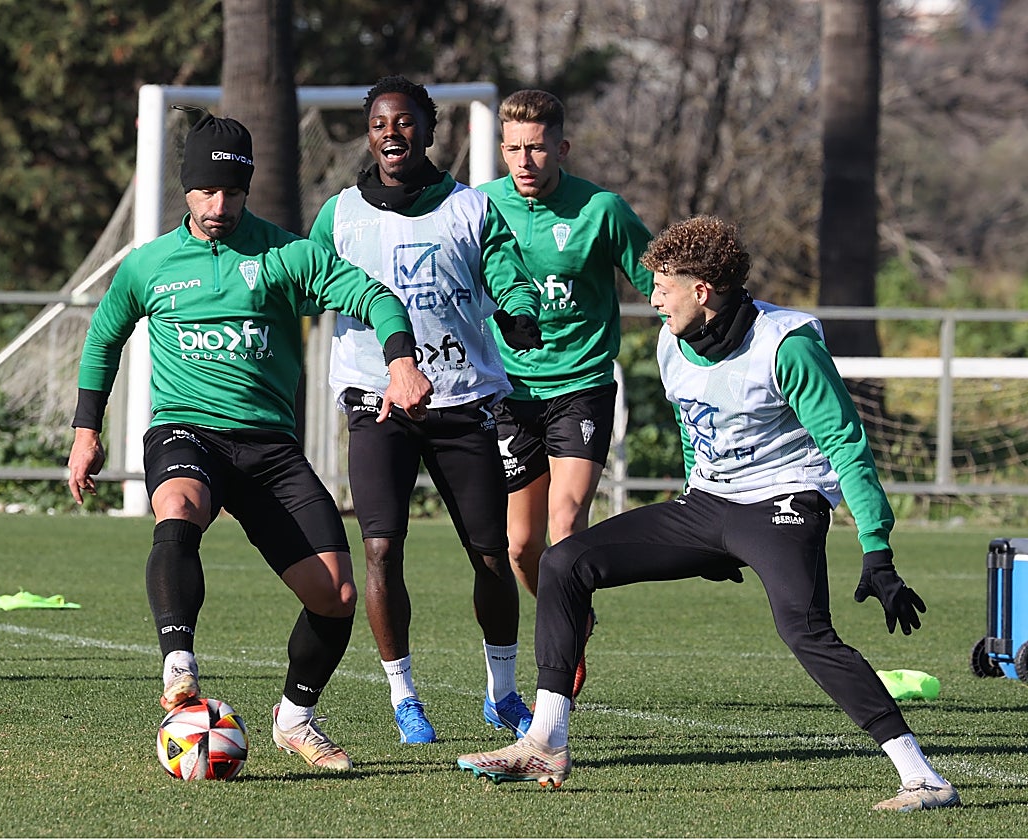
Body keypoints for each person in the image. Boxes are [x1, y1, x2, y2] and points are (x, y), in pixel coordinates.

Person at [456, 215, 960, 812]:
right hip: (707, 503)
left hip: (781, 502)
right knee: (563, 563)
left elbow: (847, 445)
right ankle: (546, 741)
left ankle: (922, 777)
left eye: (662, 288)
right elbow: (697, 435)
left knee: (804, 629)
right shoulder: (671, 341)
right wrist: (703, 529)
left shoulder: (787, 345)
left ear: (702, 291)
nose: (652, 300)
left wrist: (877, 551)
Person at [66, 110, 433, 773]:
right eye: (207, 192)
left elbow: (376, 297)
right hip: (186, 429)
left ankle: (295, 717)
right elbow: (104, 338)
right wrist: (86, 432)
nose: (219, 207)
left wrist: (401, 361)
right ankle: (179, 664)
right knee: (178, 507)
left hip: (269, 447)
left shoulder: (287, 255)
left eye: (232, 193)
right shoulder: (149, 265)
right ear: (186, 189)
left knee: (336, 595)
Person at [308, 75, 542, 745]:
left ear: (429, 130)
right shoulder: (340, 215)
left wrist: (519, 312)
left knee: (490, 555)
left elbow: (507, 274)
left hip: (462, 400)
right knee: (381, 548)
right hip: (375, 402)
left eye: (405, 121)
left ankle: (502, 693)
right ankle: (403, 696)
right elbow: (310, 278)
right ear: (369, 135)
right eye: (380, 123)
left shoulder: (470, 208)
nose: (392, 133)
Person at [477, 89, 654, 703]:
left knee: (566, 521)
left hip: (581, 385)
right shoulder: (480, 207)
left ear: (562, 147)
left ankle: (563, 645)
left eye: (535, 147)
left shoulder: (602, 209)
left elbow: (657, 281)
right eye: (513, 149)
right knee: (521, 547)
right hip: (509, 392)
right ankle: (574, 610)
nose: (523, 160)